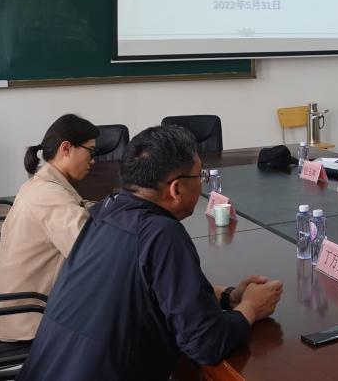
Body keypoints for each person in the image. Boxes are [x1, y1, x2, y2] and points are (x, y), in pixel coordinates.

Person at [18, 125, 283, 381]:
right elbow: (205, 343)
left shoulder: (104, 212)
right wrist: (250, 308)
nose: (202, 184)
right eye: (200, 176)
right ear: (176, 189)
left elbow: (155, 288)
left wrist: (228, 297)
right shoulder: (161, 233)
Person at [0, 114, 99, 342]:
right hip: (33, 324)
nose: (93, 161)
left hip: (22, 313)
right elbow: (93, 253)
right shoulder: (49, 196)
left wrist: (108, 208)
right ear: (66, 148)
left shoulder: (41, 184)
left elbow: (78, 207)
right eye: (91, 151)